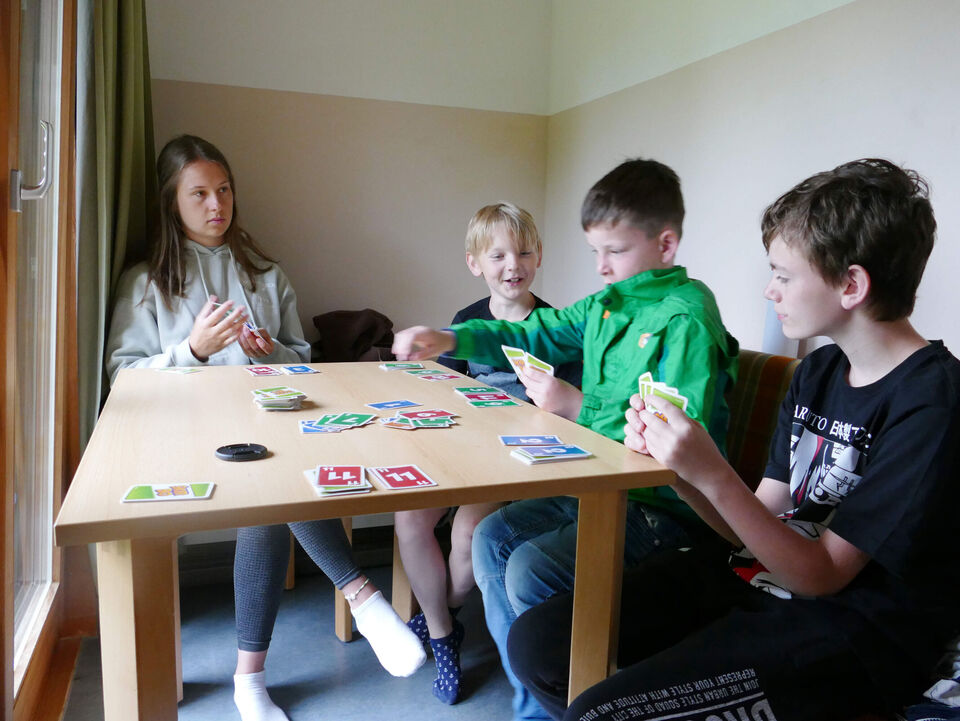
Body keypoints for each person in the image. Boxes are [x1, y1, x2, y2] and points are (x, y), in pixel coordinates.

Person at [506, 158, 960, 721]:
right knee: (539, 644)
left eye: (783, 275)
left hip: (852, 627)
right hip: (759, 577)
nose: (770, 290)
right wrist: (682, 472)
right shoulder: (819, 372)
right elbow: (755, 523)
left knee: (599, 712)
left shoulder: (931, 401)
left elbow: (822, 574)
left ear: (851, 285)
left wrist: (714, 473)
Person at [392, 159, 738, 721]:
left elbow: (676, 444)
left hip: (662, 507)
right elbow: (532, 332)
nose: (601, 267)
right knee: (490, 537)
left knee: (528, 567)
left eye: (615, 251)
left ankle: (557, 701)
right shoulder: (606, 305)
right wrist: (451, 338)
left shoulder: (686, 319)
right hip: (600, 485)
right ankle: (537, 702)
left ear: (665, 244)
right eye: (594, 251)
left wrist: (575, 406)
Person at [105, 135, 425, 721]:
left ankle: (251, 677)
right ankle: (360, 596)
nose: (216, 205)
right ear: (171, 202)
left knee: (273, 482)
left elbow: (303, 361)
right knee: (273, 482)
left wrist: (269, 350)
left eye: (224, 190)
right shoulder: (146, 282)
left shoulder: (265, 274)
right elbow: (122, 376)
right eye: (199, 194)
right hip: (185, 437)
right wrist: (192, 351)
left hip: (271, 432)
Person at [395, 202, 581, 705]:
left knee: (468, 531)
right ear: (475, 263)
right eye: (497, 256)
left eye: (523, 253)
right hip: (460, 446)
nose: (512, 265)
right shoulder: (466, 322)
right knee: (410, 517)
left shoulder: (555, 328)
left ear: (539, 256)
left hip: (513, 459)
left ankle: (446, 612)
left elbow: (571, 411)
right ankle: (442, 633)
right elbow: (445, 389)